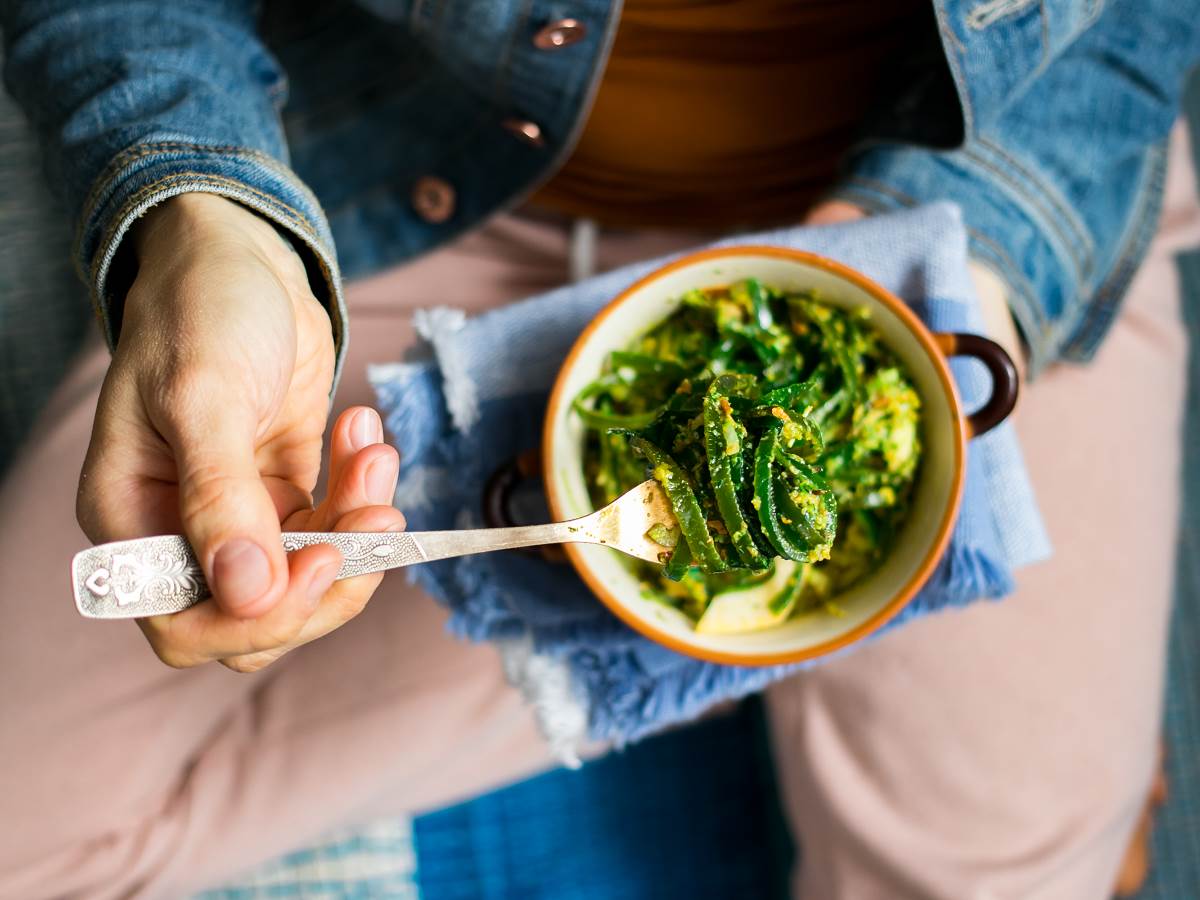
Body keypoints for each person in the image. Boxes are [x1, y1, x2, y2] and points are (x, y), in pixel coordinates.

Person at [0, 0, 1197, 896]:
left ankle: (638, 670)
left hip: (967, 183)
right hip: (403, 171)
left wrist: (967, 255)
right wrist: (204, 213)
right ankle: (653, 670)